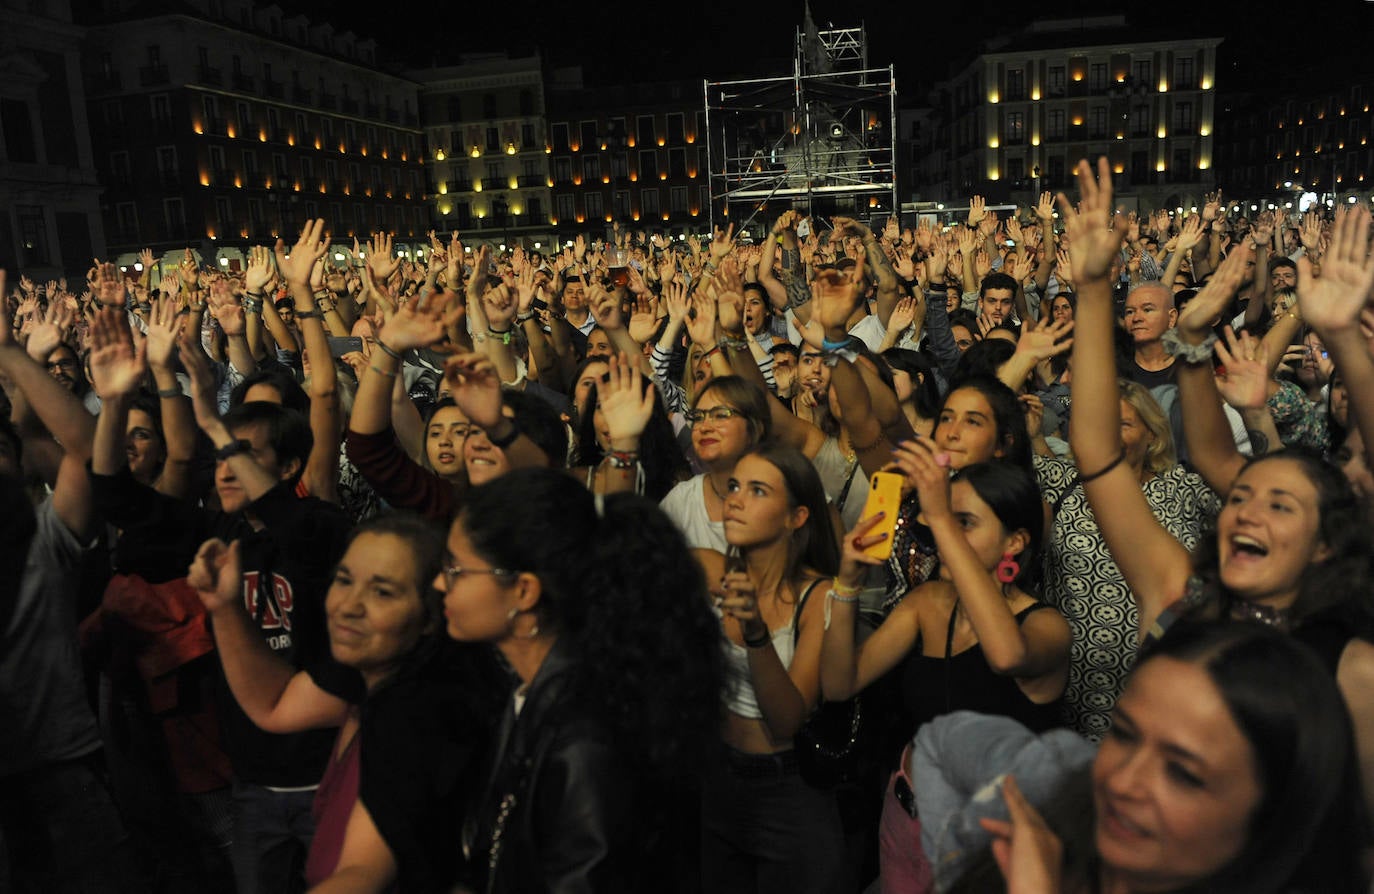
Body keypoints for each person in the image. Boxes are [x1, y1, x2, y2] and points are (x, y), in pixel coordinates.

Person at [1062, 157, 1374, 810]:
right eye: (1240, 498)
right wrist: (1093, 292)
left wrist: (1344, 340)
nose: (1245, 514)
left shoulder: (1352, 669)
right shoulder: (1177, 599)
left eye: (1280, 504)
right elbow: (1095, 450)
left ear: (1325, 543)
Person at [919, 621, 1369, 894]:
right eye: (1124, 735)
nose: (1120, 782)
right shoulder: (1050, 802)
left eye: (1182, 773)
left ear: (1275, 811)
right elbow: (938, 739)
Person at [440, 468, 723, 893]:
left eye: (456, 569)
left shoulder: (586, 742)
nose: (438, 582)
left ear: (523, 591)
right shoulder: (532, 692)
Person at [186, 514, 495, 892]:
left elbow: (363, 872)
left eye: (382, 592)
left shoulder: (417, 713)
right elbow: (276, 704)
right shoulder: (370, 678)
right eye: (344, 580)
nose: (349, 605)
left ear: (431, 614)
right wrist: (224, 606)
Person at [821, 451, 1069, 893]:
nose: (941, 531)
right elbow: (840, 684)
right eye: (943, 521)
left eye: (964, 523)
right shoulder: (928, 603)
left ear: (1014, 543)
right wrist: (846, 583)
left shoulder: (1046, 628)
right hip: (907, 818)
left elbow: (1006, 656)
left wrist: (938, 513)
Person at [694, 444, 845, 893]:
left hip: (787, 791)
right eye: (736, 486)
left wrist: (757, 635)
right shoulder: (708, 569)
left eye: (758, 490)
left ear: (796, 517)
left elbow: (786, 721)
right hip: (716, 778)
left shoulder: (821, 597)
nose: (735, 498)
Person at [1036, 379, 1219, 739]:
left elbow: (1241, 497)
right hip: (1070, 691)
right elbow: (977, 450)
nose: (1108, 435)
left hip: (1161, 688)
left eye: (1122, 424)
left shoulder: (1180, 487)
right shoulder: (1063, 481)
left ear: (1152, 435)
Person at [659, 376, 774, 552]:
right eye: (698, 417)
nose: (704, 427)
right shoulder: (680, 501)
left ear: (755, 427)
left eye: (720, 415)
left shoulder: (787, 488)